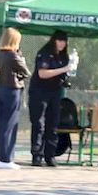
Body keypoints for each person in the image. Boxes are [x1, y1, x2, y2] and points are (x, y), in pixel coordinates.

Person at [29, 30, 72, 167]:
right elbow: (42, 73)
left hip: (55, 92)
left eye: (64, 41)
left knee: (53, 124)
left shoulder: (64, 56)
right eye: (59, 41)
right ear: (54, 40)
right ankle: (37, 155)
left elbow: (63, 73)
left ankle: (50, 155)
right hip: (40, 92)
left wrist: (65, 77)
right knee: (38, 124)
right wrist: (63, 69)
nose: (61, 44)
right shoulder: (45, 52)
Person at [0, 28, 31, 170]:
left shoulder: (1, 54)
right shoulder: (13, 55)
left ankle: (1, 157)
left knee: (3, 124)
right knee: (11, 124)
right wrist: (20, 57)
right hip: (13, 89)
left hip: (3, 88)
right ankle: (7, 158)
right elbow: (26, 72)